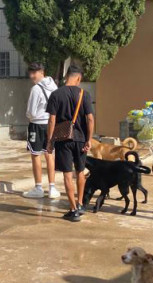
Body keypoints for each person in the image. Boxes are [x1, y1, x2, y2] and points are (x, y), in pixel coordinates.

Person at [46, 65, 94, 222]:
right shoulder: (84, 94)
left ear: (67, 76)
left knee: (67, 174)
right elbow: (90, 118)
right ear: (78, 78)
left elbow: (52, 120)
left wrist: (50, 141)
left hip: (63, 139)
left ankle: (73, 210)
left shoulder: (56, 94)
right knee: (80, 171)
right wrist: (89, 139)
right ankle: (80, 204)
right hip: (80, 139)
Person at [22, 62, 60, 199]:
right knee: (50, 154)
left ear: (41, 72)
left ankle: (38, 187)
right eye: (30, 72)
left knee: (36, 154)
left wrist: (30, 116)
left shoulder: (36, 89)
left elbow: (31, 112)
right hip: (51, 124)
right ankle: (52, 188)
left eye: (34, 72)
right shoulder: (54, 86)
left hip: (37, 125)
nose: (32, 76)